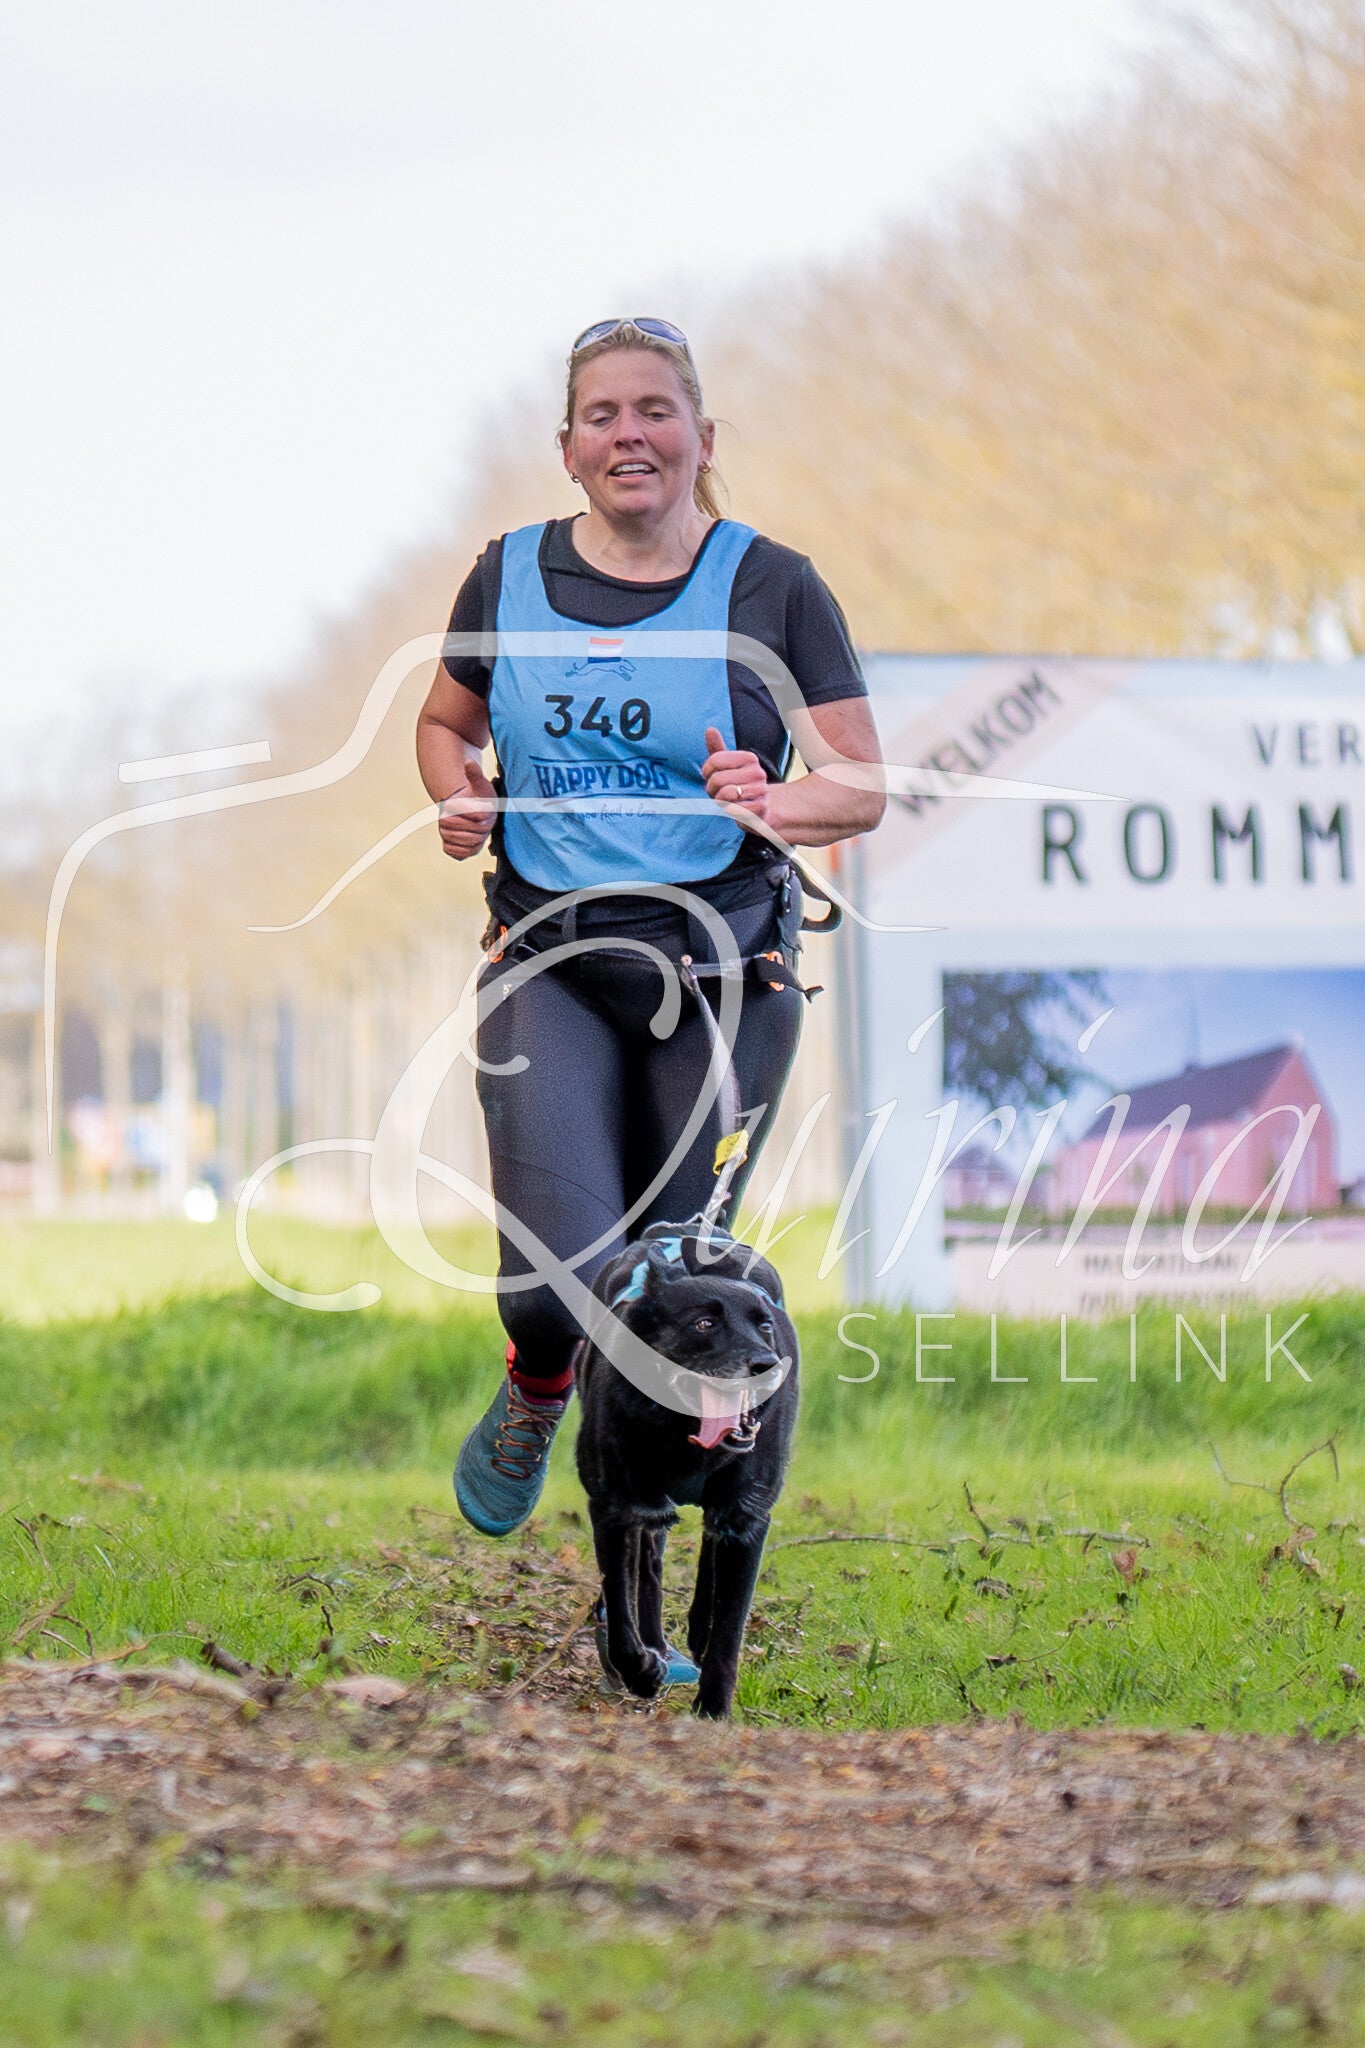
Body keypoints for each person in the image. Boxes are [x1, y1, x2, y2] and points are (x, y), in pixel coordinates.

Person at [416, 316, 884, 1555]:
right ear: (569, 447)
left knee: (672, 1301)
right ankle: (535, 1385)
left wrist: (776, 801)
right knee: (553, 1286)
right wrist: (460, 797)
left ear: (701, 437)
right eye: (604, 415)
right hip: (551, 964)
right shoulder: (506, 576)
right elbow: (443, 724)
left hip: (725, 972)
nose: (631, 434)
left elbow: (862, 784)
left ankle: (638, 1585)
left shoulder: (775, 585)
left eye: (655, 411)